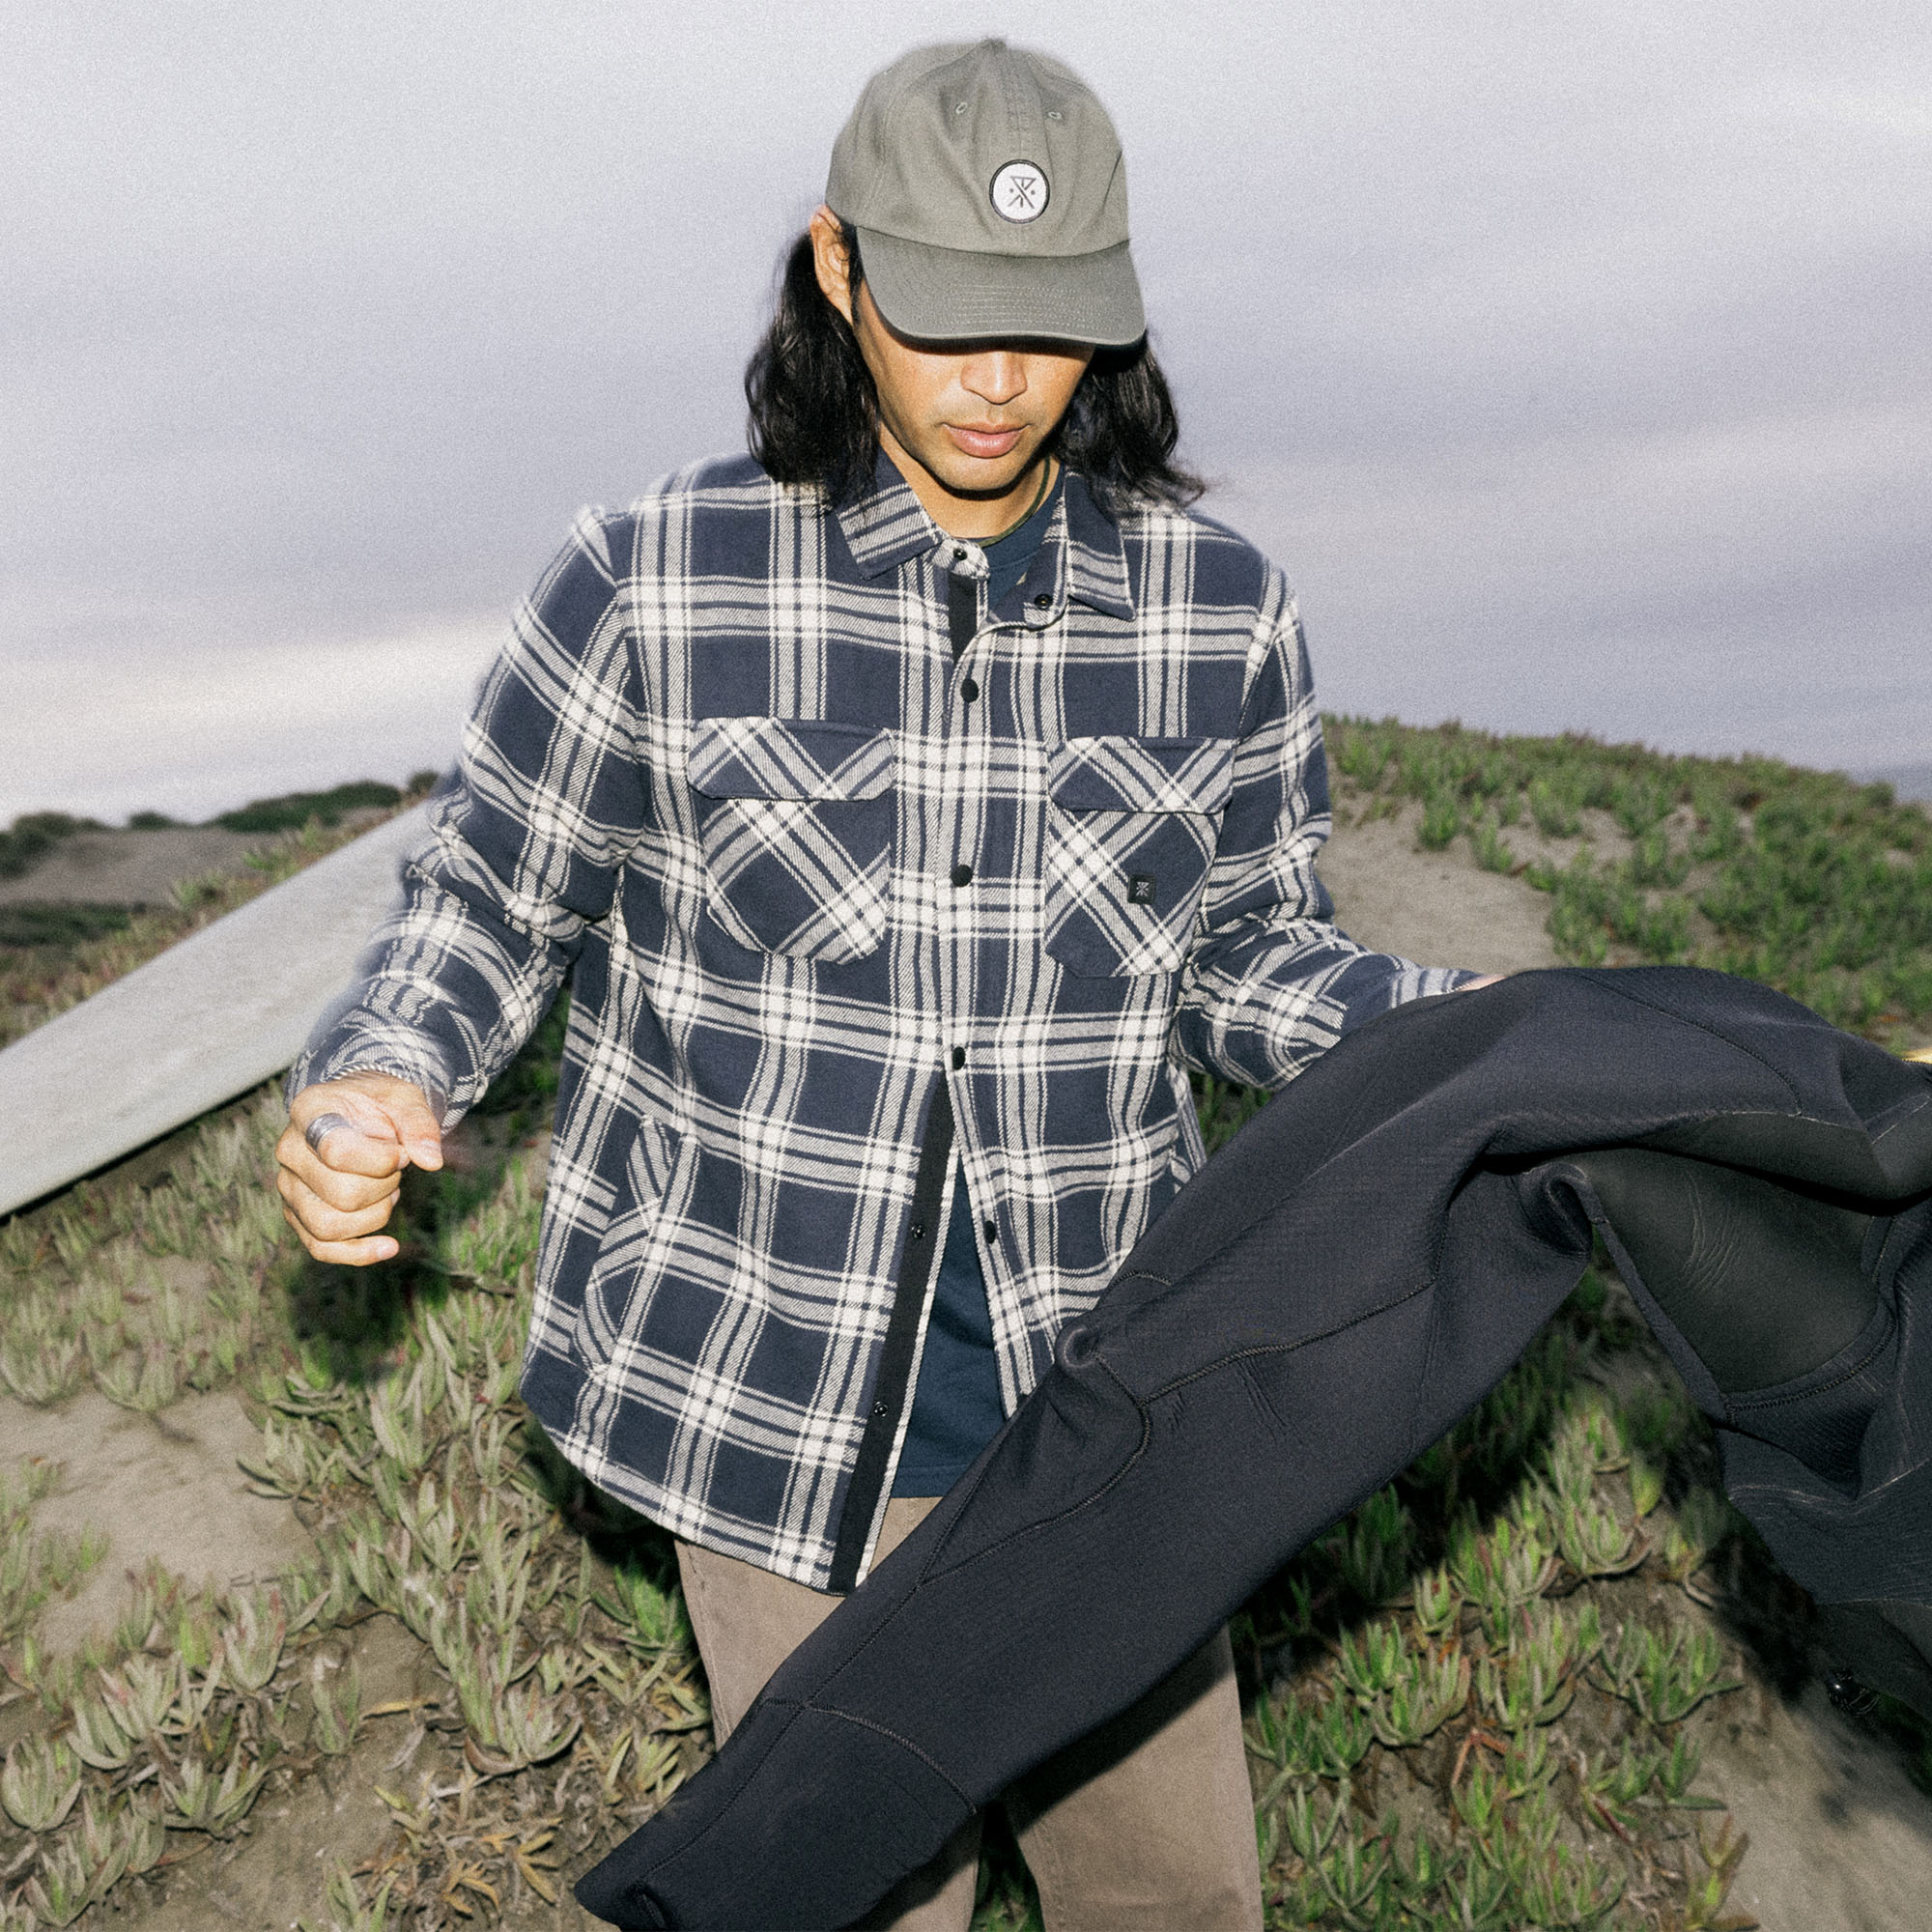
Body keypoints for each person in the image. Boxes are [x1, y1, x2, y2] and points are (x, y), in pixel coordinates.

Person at [275, 40, 1492, 1930]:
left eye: (1053, 324)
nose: (1000, 381)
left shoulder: (1217, 608)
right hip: (766, 1428)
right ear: (838, 269)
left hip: (1109, 1426)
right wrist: (381, 1071)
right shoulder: (652, 581)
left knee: (1176, 1905)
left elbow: (1250, 956)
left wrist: (1521, 1040)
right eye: (947, 317)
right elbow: (490, 901)